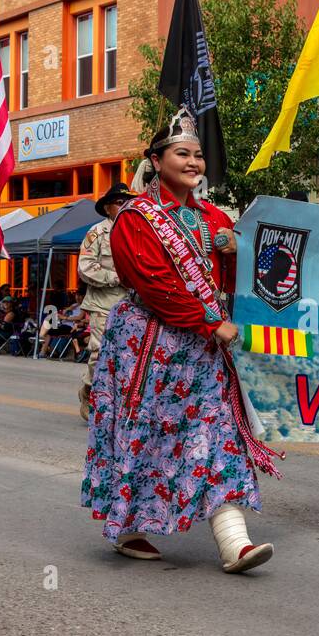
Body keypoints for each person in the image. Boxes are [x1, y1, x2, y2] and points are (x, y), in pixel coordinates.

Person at [82, 106, 282, 573]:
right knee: (148, 433)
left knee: (216, 433)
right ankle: (130, 525)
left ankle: (235, 541)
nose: (194, 162)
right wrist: (207, 321)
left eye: (198, 155)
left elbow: (234, 280)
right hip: (151, 345)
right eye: (182, 153)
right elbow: (152, 282)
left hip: (205, 348)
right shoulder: (135, 218)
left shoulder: (214, 216)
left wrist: (237, 253)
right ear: (156, 160)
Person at [78, 184, 130, 419]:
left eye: (126, 202)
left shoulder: (135, 232)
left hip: (131, 304)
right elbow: (86, 268)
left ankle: (117, 403)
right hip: (103, 304)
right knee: (100, 353)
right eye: (119, 202)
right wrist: (117, 278)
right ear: (108, 208)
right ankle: (88, 391)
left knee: (127, 356)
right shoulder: (97, 233)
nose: (124, 206)